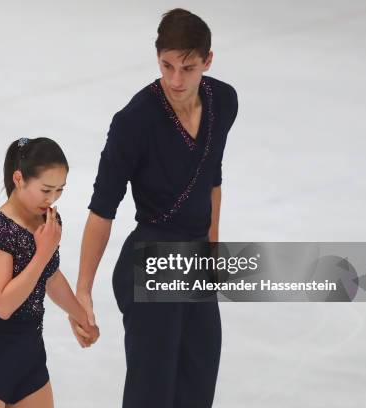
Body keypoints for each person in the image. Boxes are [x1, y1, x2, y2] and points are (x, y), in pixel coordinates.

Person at [69, 8, 239, 408]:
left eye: (188, 67)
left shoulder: (224, 102)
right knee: (153, 396)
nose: (176, 80)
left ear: (207, 61)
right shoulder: (134, 121)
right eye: (166, 65)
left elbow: (212, 180)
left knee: (197, 389)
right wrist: (83, 290)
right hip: (150, 260)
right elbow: (101, 209)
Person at [0, 137, 99, 408]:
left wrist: (81, 317)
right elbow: (3, 304)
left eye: (59, 190)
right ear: (19, 179)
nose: (52, 199)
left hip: (29, 358)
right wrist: (42, 253)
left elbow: (50, 277)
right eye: (45, 190)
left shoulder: (48, 222)